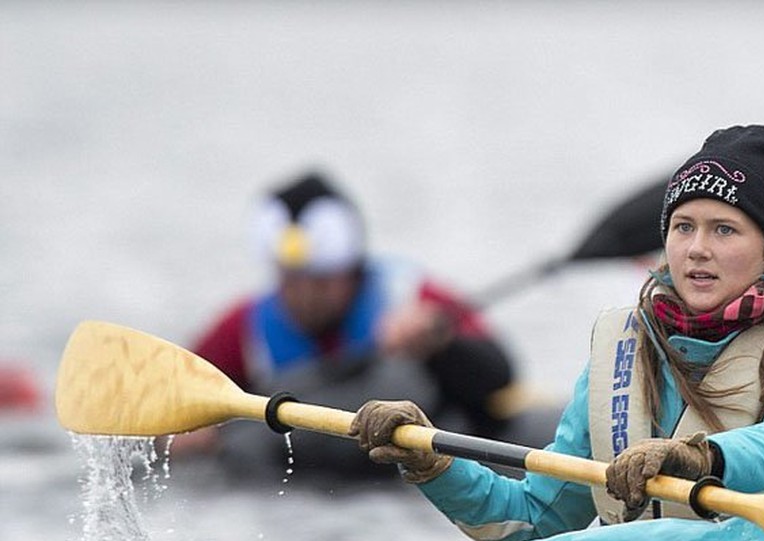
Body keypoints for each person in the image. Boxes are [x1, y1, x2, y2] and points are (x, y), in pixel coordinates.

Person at [350, 124, 764, 536]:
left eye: (724, 229)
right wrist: (431, 460)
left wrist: (696, 458)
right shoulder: (619, 352)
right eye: (683, 227)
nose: (697, 248)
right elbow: (533, 517)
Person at [178, 171, 522, 477]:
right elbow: (181, 396)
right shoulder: (246, 325)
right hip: (306, 477)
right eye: (292, 281)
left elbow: (500, 378)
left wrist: (441, 346)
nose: (305, 297)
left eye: (321, 282)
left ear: (352, 270)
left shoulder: (410, 297)